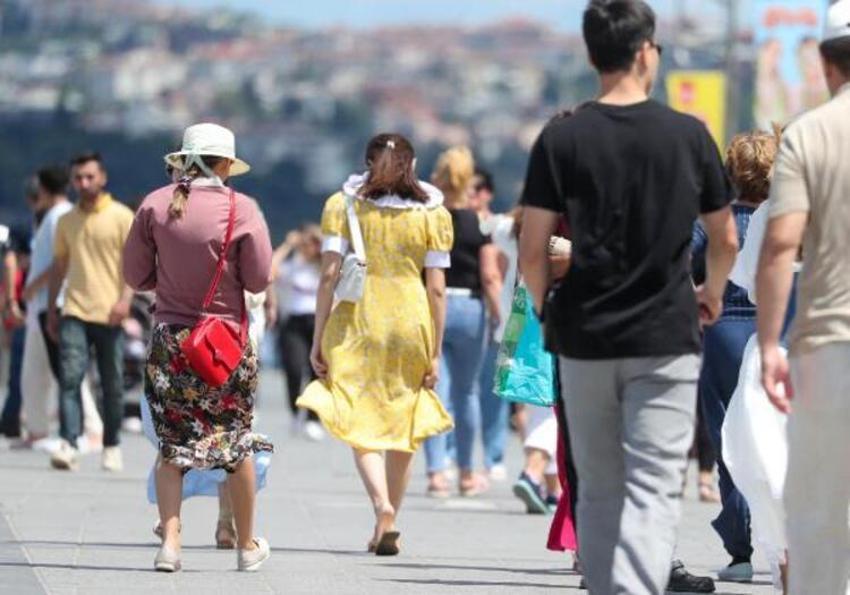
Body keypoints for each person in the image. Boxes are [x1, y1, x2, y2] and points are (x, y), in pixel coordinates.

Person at [519, 2, 739, 593]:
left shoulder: (561, 138)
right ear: (647, 52)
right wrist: (711, 292)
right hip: (665, 333)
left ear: (593, 56)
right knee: (653, 484)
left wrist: (543, 309)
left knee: (596, 483)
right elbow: (725, 236)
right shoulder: (688, 135)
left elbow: (532, 247)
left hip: (584, 335)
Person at [123, 122, 273, 572]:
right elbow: (259, 279)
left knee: (173, 444)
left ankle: (170, 543)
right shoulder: (241, 209)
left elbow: (135, 276)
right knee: (235, 444)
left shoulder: (153, 204)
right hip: (224, 344)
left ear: (183, 161)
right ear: (226, 165)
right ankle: (246, 546)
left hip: (171, 340)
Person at [298, 133, 454, 555]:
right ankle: (389, 520)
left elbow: (329, 274)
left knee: (358, 416)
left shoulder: (342, 205)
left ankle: (381, 504)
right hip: (411, 318)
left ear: (367, 162)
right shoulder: (433, 214)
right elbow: (437, 288)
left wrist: (317, 338)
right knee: (404, 421)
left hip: (358, 319)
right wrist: (436, 349)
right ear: (413, 164)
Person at [757, 3, 850, 592]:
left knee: (819, 515)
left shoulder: (809, 134)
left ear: (824, 59)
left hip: (829, 343)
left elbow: (780, 244)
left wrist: (770, 344)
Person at [693, 131, 779, 583]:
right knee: (777, 439)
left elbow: (686, 265)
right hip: (774, 327)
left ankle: (739, 550)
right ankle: (785, 543)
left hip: (723, 328)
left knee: (728, 439)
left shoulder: (715, 220)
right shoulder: (785, 217)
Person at [46, 152, 134, 472]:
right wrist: (52, 308)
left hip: (110, 311)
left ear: (102, 178)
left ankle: (111, 445)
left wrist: (125, 300)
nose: (83, 183)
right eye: (78, 178)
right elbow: (59, 266)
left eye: (89, 177)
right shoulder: (66, 221)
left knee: (111, 383)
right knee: (70, 377)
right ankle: (69, 442)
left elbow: (133, 266)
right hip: (74, 310)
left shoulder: (122, 217)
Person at [423, 147, 502, 498]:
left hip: (433, 305)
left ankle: (437, 472)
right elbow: (489, 275)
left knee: (434, 390)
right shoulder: (477, 224)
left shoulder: (429, 219)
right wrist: (498, 312)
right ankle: (468, 473)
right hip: (471, 309)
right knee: (467, 392)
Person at [19, 166, 103, 450]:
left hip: (53, 302)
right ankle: (37, 430)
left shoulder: (60, 216)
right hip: (42, 304)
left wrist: (32, 286)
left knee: (67, 370)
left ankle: (90, 428)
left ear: (42, 189)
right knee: (34, 373)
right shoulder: (56, 216)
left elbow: (61, 261)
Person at [470, 169, 511, 481]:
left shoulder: (502, 227)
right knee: (461, 389)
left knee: (494, 391)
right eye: (469, 188)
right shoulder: (451, 223)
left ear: (489, 193)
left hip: (498, 314)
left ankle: (494, 455)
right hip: (471, 311)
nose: (475, 194)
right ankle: (457, 454)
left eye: (480, 188)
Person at [271, 224, 325, 441]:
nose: (308, 247)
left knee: (316, 372)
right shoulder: (292, 265)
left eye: (313, 243)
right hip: (293, 321)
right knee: (293, 369)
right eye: (306, 242)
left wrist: (321, 243)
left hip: (317, 321)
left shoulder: (323, 267)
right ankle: (295, 413)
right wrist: (288, 244)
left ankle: (313, 418)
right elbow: (271, 269)